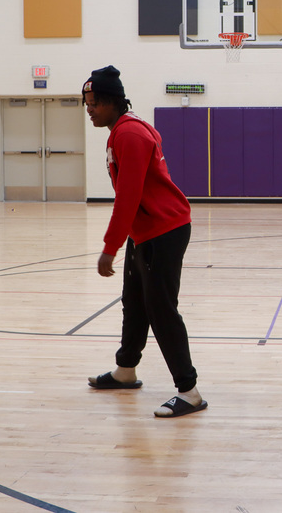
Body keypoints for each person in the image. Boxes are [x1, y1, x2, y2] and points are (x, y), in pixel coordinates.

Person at [83, 65, 206, 417]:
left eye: (93, 102)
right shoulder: (122, 130)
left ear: (111, 102)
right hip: (146, 230)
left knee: (161, 310)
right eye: (86, 103)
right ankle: (125, 370)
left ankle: (190, 391)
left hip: (163, 230)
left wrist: (110, 247)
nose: (89, 109)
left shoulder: (130, 135)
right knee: (134, 302)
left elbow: (129, 196)